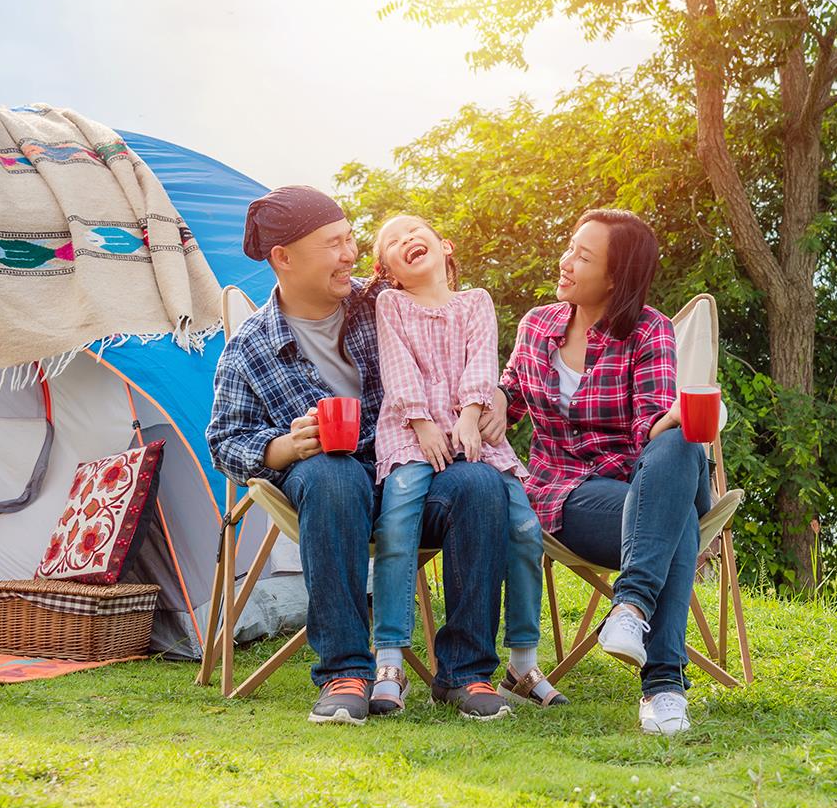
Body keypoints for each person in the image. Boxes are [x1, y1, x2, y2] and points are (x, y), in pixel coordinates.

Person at [206, 186, 513, 724]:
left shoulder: (385, 301)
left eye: (350, 239)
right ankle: (346, 670)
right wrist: (282, 447)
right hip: (331, 498)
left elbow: (464, 330)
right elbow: (225, 441)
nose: (351, 254)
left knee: (480, 485)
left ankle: (466, 672)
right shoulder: (251, 345)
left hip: (413, 478)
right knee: (331, 472)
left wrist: (497, 398)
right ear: (283, 258)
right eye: (333, 244)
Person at [486, 208, 738, 735]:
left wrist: (676, 418)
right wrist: (482, 401)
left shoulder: (650, 330)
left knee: (680, 446)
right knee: (678, 527)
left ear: (616, 276)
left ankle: (631, 606)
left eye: (583, 255)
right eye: (570, 246)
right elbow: (507, 398)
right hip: (567, 496)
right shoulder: (537, 325)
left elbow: (652, 430)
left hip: (638, 482)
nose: (566, 261)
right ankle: (664, 684)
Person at [361, 214, 568, 715]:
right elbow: (397, 367)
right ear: (388, 270)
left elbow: (482, 362)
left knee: (523, 528)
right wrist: (421, 423)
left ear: (444, 246)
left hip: (471, 431)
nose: (406, 239)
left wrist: (473, 414)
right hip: (412, 434)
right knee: (398, 521)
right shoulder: (392, 305)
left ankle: (523, 660)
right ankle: (389, 657)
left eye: (414, 231)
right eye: (392, 242)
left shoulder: (475, 302)